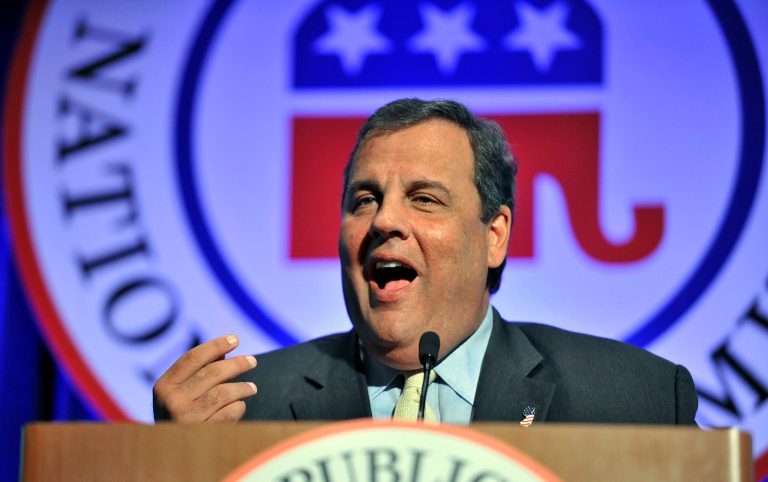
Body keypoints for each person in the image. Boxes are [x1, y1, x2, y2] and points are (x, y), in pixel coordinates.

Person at [153, 98, 698, 425]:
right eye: (364, 199)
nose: (384, 221)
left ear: (495, 236)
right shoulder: (243, 410)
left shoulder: (634, 399)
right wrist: (174, 467)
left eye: (424, 198)